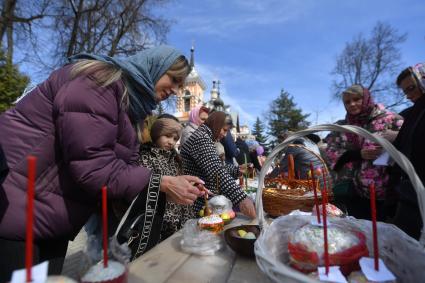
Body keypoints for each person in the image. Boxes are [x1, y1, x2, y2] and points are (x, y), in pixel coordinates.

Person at [0, 45, 206, 280]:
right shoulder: (99, 83)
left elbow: (123, 168)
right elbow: (94, 166)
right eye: (174, 79)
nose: (177, 90)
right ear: (155, 66)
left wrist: (166, 186)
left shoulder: (130, 110)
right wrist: (161, 183)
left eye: (181, 85)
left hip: (51, 217)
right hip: (20, 209)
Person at [324, 84, 403, 221]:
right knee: (361, 231)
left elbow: (411, 143)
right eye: (347, 102)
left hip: (387, 194)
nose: (352, 104)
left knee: (383, 234)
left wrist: (395, 138)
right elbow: (330, 152)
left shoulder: (390, 119)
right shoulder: (342, 127)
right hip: (353, 192)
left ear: (366, 98)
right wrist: (358, 154)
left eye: (356, 99)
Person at [180, 111, 256, 218]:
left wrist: (238, 170)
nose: (225, 135)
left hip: (200, 197)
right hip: (195, 200)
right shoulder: (201, 138)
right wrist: (242, 198)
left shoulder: (205, 137)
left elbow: (214, 166)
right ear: (216, 124)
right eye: (224, 130)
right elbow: (216, 171)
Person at [138, 116, 196, 243]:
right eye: (167, 136)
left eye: (175, 139)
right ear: (157, 133)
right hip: (159, 222)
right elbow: (146, 187)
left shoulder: (176, 159)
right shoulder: (146, 156)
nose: (171, 142)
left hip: (179, 221)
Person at [390, 63, 425, 239]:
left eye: (412, 88)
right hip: (409, 193)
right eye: (406, 92)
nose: (409, 95)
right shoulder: (411, 113)